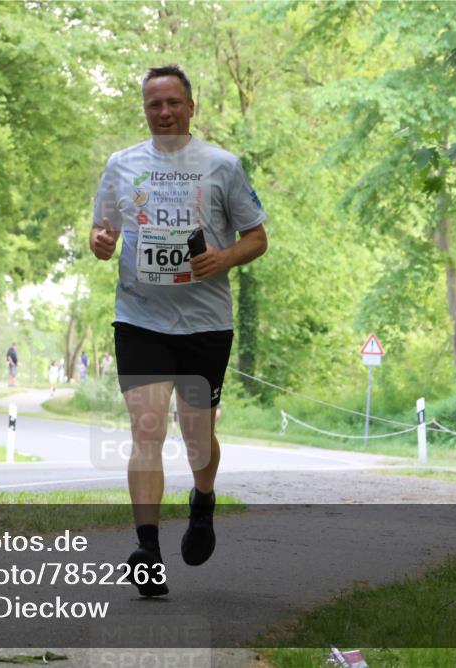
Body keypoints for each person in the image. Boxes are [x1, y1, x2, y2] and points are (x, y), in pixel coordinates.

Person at [90, 64, 268, 597]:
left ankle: (203, 499)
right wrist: (100, 242)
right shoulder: (121, 166)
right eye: (154, 104)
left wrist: (225, 258)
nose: (163, 112)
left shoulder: (222, 166)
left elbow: (256, 237)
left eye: (173, 103)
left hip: (205, 323)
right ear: (144, 110)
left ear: (191, 107)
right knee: (147, 430)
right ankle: (147, 549)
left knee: (197, 439)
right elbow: (103, 231)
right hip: (140, 317)